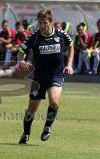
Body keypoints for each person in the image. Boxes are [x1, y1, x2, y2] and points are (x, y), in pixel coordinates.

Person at [17, 9, 74, 144]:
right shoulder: (34, 36)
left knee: (54, 101)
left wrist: (69, 65)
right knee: (32, 108)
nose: (42, 26)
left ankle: (47, 127)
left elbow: (71, 46)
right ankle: (26, 133)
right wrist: (22, 61)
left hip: (56, 75)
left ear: (51, 23)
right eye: (40, 23)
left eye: (45, 23)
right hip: (39, 77)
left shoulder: (60, 34)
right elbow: (21, 50)